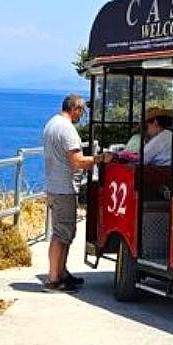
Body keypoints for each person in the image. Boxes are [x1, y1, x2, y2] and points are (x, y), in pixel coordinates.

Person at [42, 94, 110, 291]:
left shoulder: (52, 124)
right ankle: (54, 279)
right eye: (82, 111)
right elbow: (78, 161)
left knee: (65, 232)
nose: (82, 115)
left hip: (54, 185)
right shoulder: (67, 129)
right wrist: (100, 158)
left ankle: (62, 272)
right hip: (64, 188)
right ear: (75, 109)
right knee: (61, 234)